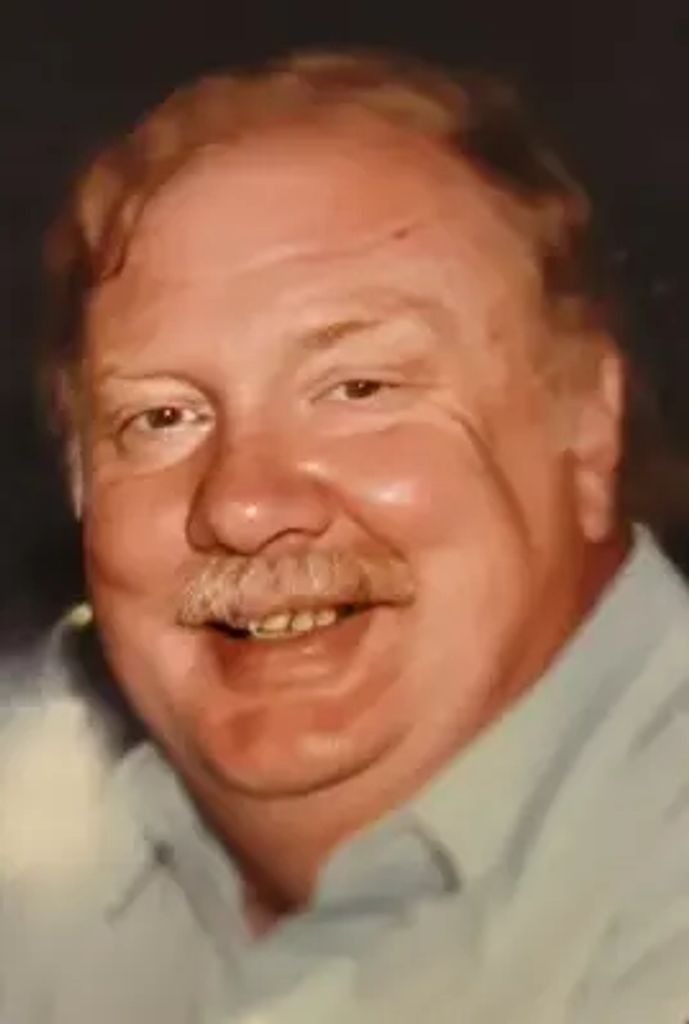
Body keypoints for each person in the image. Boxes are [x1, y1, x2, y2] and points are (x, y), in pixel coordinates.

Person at [1, 48, 687, 1023]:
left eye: (358, 388)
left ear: (586, 426)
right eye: (161, 418)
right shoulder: (65, 864)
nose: (242, 505)